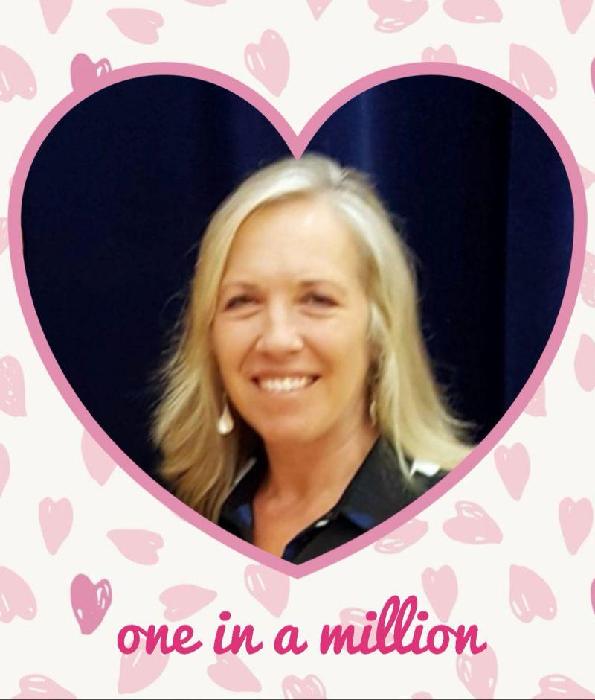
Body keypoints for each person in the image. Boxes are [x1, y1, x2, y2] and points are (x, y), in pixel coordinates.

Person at [151, 154, 471, 563]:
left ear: (378, 332)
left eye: (318, 300)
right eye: (243, 301)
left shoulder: (455, 522)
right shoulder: (184, 525)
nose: (277, 339)